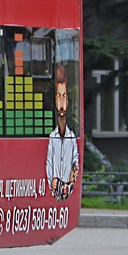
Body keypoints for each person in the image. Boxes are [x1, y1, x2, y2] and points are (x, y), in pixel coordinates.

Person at [46, 64, 78, 200]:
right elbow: (49, 164)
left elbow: (75, 163)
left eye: (64, 96)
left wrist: (70, 182)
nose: (61, 101)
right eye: (59, 96)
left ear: (68, 101)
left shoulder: (72, 137)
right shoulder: (51, 137)